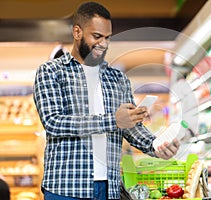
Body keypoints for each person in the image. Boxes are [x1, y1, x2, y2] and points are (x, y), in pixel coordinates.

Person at [33, 1, 180, 200]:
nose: (103, 44)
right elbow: (53, 123)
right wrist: (113, 120)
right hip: (66, 187)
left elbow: (130, 127)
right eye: (97, 36)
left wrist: (156, 146)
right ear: (77, 32)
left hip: (108, 188)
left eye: (108, 38)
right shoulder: (51, 71)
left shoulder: (117, 78)